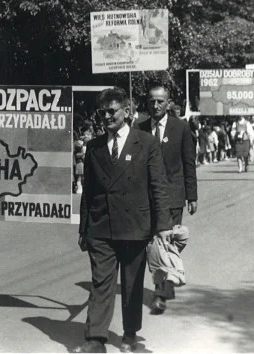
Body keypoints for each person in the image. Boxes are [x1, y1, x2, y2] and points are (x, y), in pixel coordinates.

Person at [75, 87, 172, 353]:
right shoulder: (94, 147)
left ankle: (130, 333)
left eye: (112, 111)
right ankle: (96, 338)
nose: (106, 117)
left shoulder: (146, 143)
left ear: (126, 111)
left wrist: (163, 226)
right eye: (102, 113)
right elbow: (88, 193)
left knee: (131, 284)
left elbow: (158, 186)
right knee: (101, 283)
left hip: (134, 227)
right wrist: (84, 230)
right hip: (101, 228)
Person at [137, 85, 197, 315]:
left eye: (160, 101)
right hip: (146, 198)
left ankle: (161, 293)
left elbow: (188, 163)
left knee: (165, 244)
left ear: (168, 102)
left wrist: (192, 195)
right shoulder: (139, 128)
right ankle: (164, 286)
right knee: (153, 245)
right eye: (152, 101)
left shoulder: (180, 127)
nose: (156, 105)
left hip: (172, 197)